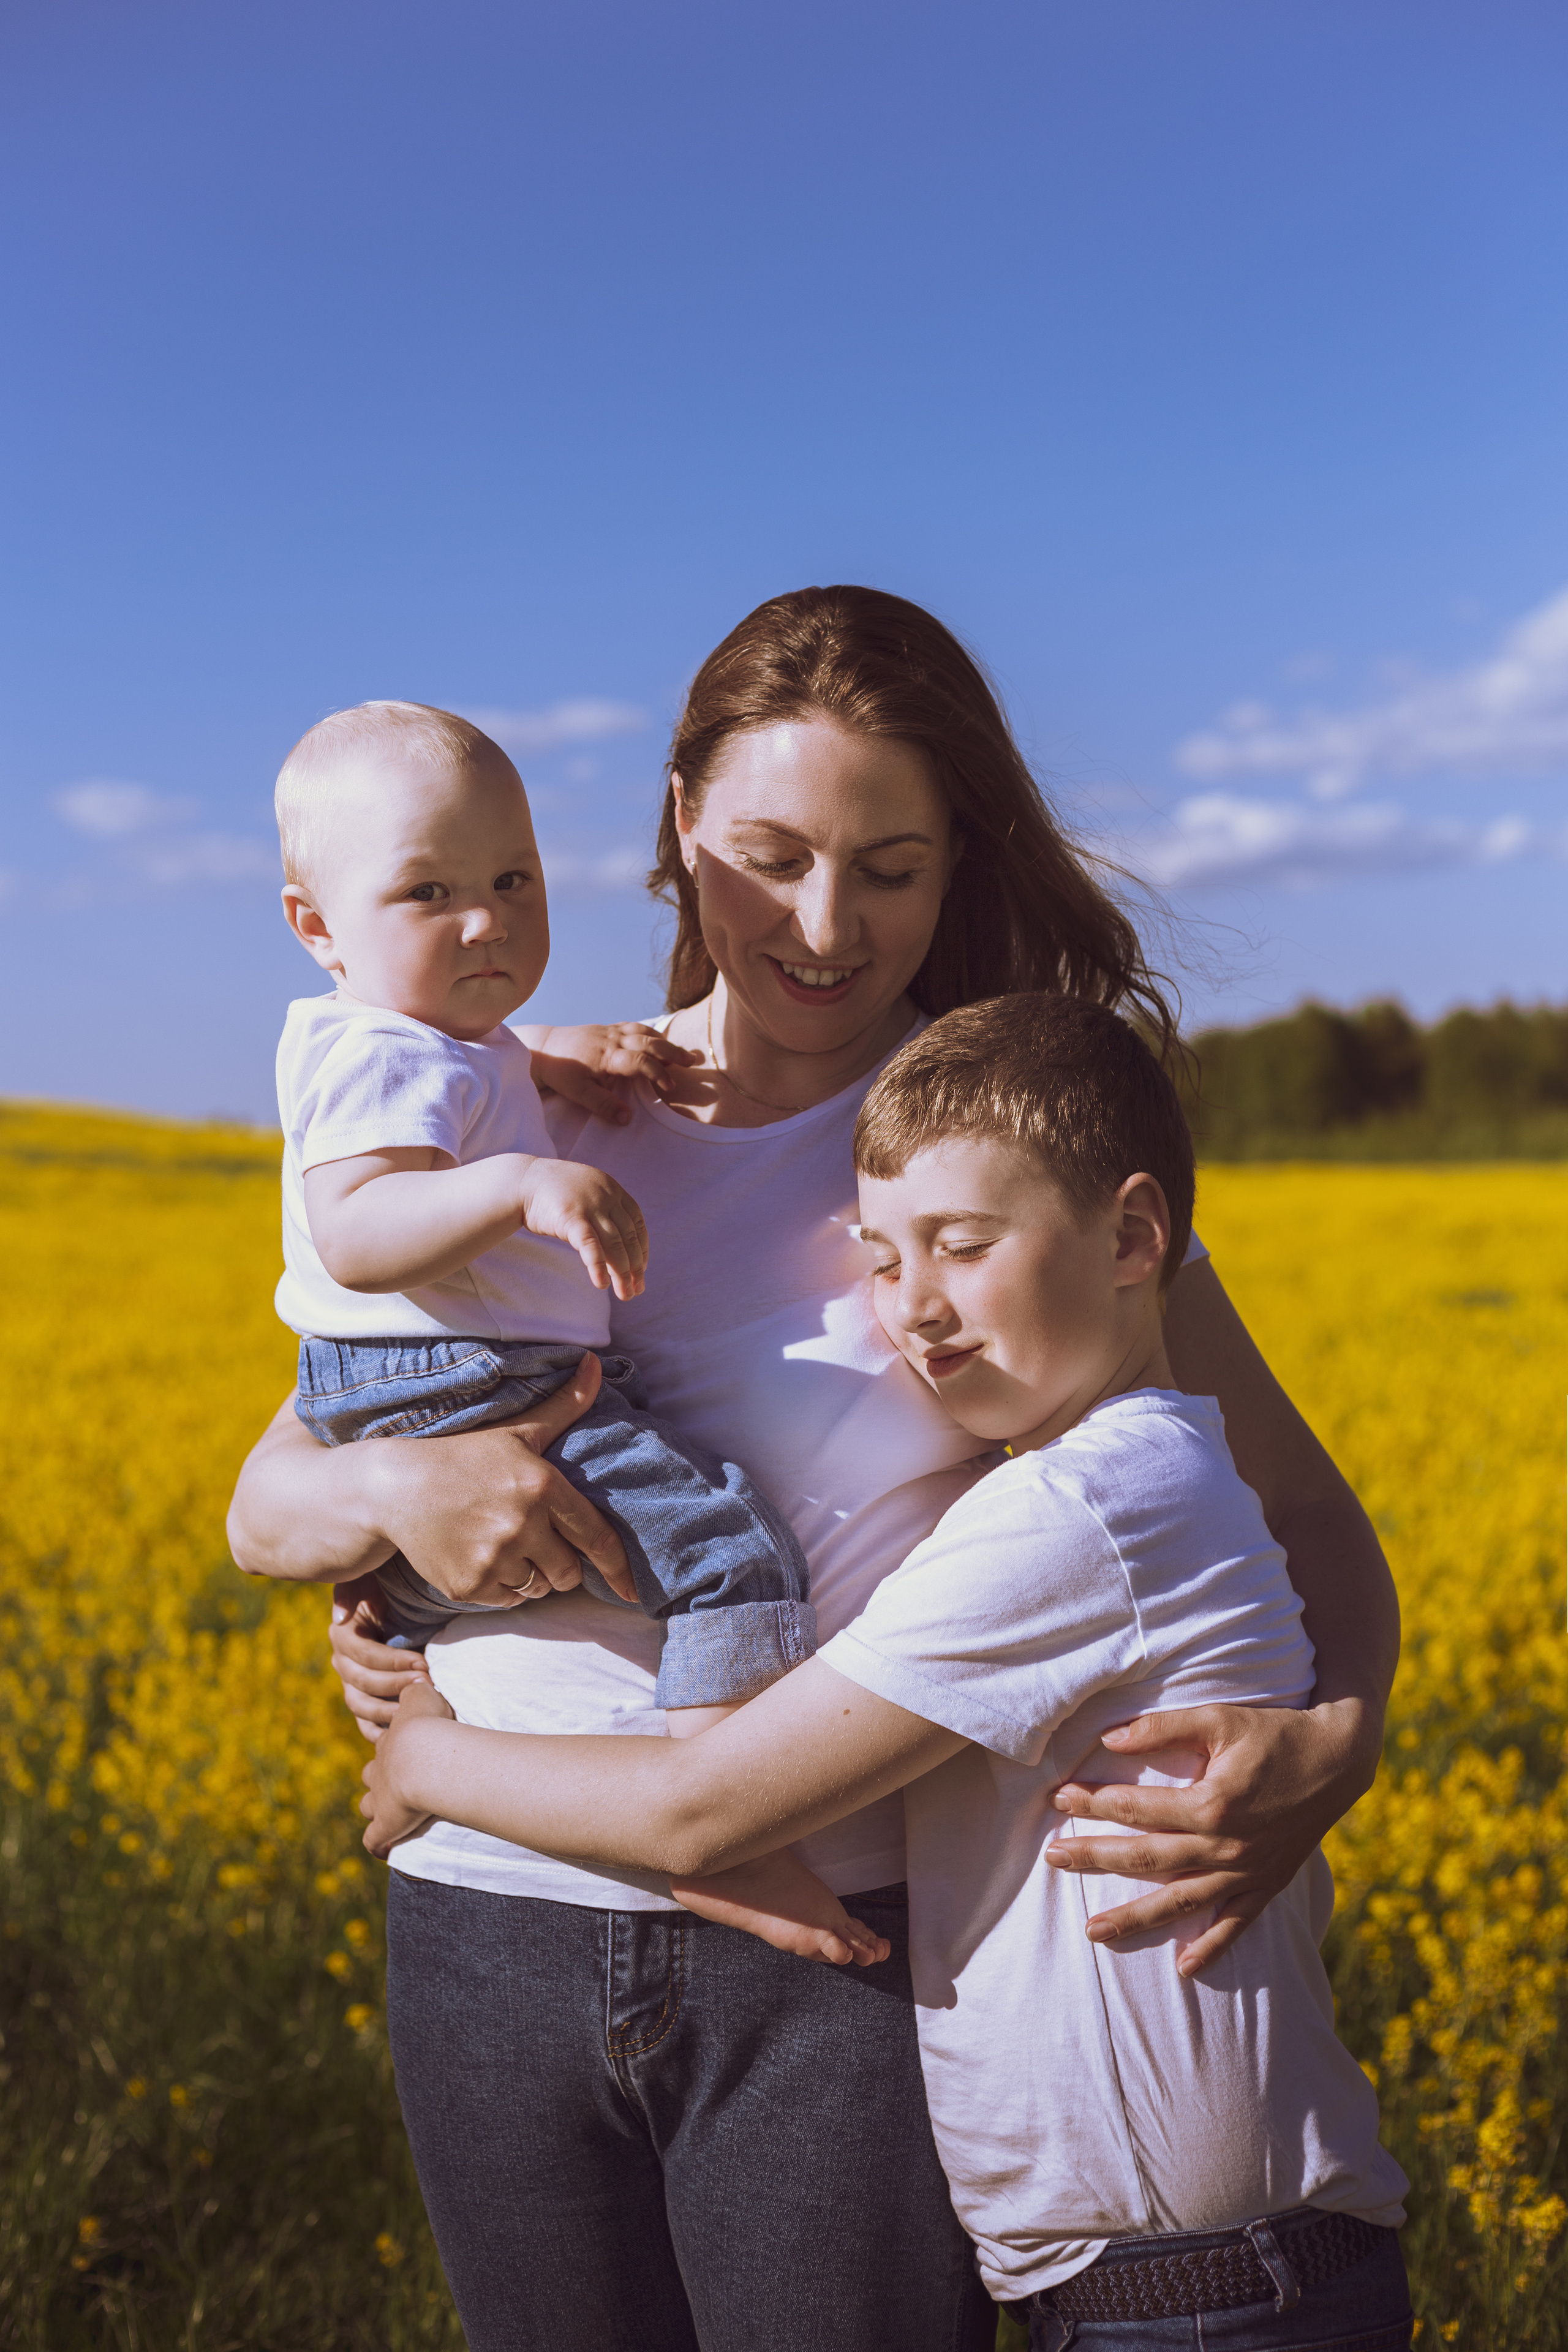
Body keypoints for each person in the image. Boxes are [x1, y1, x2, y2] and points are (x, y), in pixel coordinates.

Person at [228, 585, 1401, 2352]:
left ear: (955, 864)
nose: (826, 926)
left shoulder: (1005, 1153)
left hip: (827, 1949)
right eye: (769, 854)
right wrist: (400, 1504)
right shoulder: (533, 1102)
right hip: (488, 1917)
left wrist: (1339, 1741)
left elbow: (1299, 1517)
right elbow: (274, 1489)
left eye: (894, 866)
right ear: (680, 817)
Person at [360, 992, 1414, 2352]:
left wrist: (424, 1755)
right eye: (878, 1258)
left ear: (1135, 1240)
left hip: (1206, 2301)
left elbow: (706, 1811)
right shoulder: (1093, 1476)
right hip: (1159, 2287)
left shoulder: (1084, 1509)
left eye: (964, 1249)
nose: (911, 1309)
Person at [266, 694, 876, 1959]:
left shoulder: (422, 1041)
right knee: (724, 1554)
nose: (485, 919)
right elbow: (356, 1231)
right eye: (427, 894)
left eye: (513, 878)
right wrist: (525, 1185)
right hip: (466, 1381)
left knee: (496, 1573)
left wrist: (556, 1055)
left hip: (439, 1382)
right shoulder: (378, 1062)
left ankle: (408, 1647)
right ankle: (724, 1835)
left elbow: (471, 1067)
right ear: (317, 929)